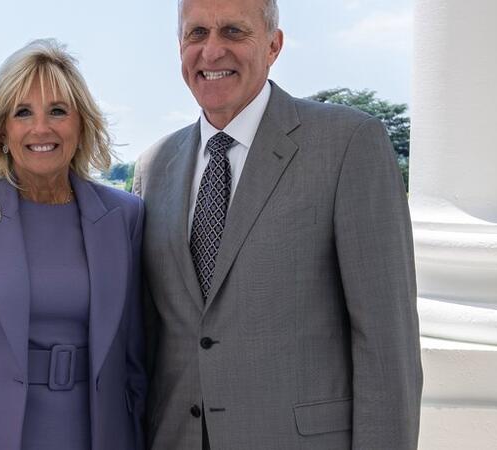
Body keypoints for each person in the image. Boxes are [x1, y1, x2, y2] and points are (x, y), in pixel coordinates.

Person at [132, 0, 422, 448]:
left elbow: (387, 344)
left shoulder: (348, 145)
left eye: (233, 32)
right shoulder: (154, 166)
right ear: (180, 46)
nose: (211, 52)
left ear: (274, 45)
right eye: (197, 34)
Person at [0, 38, 146, 450]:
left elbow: (134, 360)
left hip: (96, 433)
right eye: (23, 112)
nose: (42, 128)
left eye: (58, 111)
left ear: (81, 124)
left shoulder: (124, 216)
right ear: (3, 130)